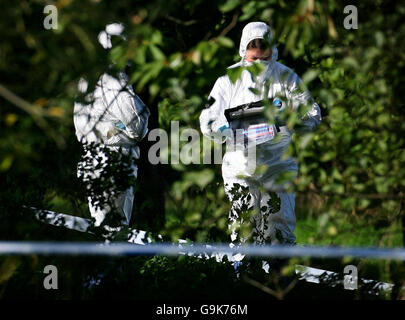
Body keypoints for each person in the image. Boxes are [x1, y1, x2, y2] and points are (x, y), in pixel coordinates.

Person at [199, 22, 321, 269]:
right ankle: (242, 281)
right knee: (244, 229)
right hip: (240, 166)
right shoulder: (227, 79)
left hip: (278, 166)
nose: (258, 57)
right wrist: (223, 127)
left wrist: (290, 113)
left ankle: (279, 281)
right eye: (253, 52)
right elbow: (207, 118)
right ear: (243, 50)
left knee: (280, 228)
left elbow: (313, 116)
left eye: (263, 51)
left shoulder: (286, 77)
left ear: (272, 50)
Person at [73, 23, 150, 227]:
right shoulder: (115, 79)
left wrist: (114, 127)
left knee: (102, 226)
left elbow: (81, 129)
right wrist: (121, 129)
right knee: (117, 229)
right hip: (115, 158)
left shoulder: (86, 80)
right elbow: (138, 127)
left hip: (92, 157)